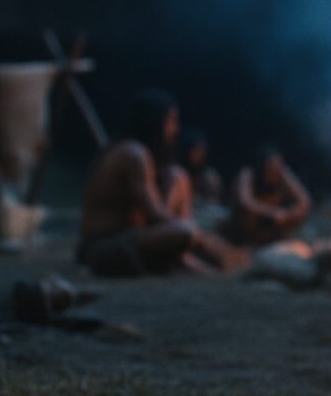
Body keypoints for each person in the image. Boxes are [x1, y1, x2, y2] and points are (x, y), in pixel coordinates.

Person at [77, 90, 237, 275]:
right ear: (155, 122)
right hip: (104, 246)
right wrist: (204, 240)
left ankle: (182, 258)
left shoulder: (137, 153)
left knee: (177, 176)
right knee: (186, 231)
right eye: (171, 121)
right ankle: (181, 258)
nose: (175, 129)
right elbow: (155, 214)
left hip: (123, 239)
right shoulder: (134, 154)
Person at [229, 145, 312, 245]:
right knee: (248, 214)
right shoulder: (247, 174)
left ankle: (278, 238)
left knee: (299, 213)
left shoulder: (282, 173)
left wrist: (292, 212)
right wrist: (273, 212)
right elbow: (245, 202)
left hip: (274, 222)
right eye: (270, 166)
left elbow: (304, 200)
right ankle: (249, 241)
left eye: (278, 165)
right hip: (250, 224)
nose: (274, 170)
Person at [178, 127, 223, 204]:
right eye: (196, 150)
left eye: (202, 150)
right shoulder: (178, 174)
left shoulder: (206, 175)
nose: (200, 154)